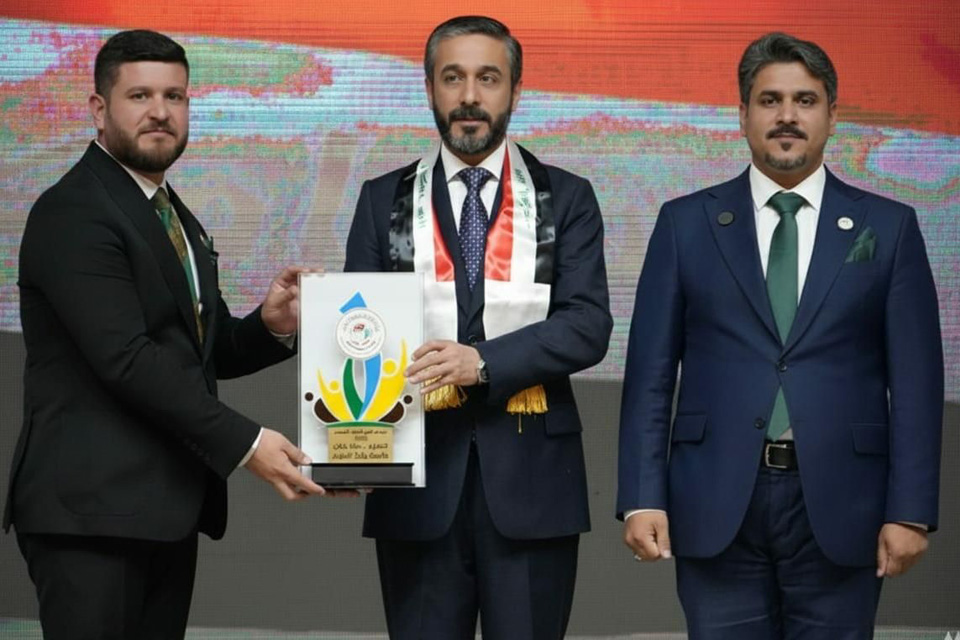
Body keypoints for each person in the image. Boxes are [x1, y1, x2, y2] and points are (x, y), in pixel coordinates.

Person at [3, 29, 329, 639]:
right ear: (98, 109)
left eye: (174, 96)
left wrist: (270, 326)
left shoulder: (172, 215)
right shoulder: (74, 211)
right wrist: (249, 443)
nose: (160, 111)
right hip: (91, 517)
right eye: (140, 96)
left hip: (159, 512)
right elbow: (126, 359)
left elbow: (197, 352)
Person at [617, 32, 943, 639]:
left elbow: (917, 383)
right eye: (770, 100)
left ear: (832, 115)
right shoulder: (685, 223)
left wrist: (912, 510)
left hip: (845, 503)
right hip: (714, 499)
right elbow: (650, 376)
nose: (787, 116)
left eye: (805, 100)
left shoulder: (890, 226)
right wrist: (641, 496)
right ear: (743, 114)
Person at [344, 15, 612, 640]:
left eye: (488, 78)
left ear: (515, 90)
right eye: (453, 78)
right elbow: (359, 332)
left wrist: (482, 363)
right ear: (430, 89)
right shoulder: (382, 199)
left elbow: (587, 325)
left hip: (533, 485)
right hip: (415, 488)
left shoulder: (567, 197)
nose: (469, 96)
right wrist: (349, 444)